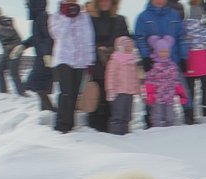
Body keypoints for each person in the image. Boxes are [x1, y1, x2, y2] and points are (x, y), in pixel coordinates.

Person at [135, 0, 194, 125]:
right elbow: (139, 38)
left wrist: (184, 57)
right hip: (154, 64)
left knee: (182, 88)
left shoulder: (174, 15)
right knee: (152, 91)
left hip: (173, 61)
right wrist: (145, 57)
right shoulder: (143, 17)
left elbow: (181, 37)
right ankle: (150, 119)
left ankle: (189, 116)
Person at [49, 0, 95, 133]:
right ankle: (61, 125)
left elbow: (88, 38)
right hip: (64, 59)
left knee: (74, 93)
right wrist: (67, 17)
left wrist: (90, 60)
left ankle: (70, 123)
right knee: (66, 92)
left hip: (80, 61)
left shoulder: (84, 16)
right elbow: (57, 34)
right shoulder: (56, 16)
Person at [87, 0, 129, 132]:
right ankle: (96, 129)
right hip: (96, 64)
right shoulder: (89, 19)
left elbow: (127, 40)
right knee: (97, 98)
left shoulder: (120, 20)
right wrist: (98, 49)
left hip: (117, 66)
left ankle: (114, 129)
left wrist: (112, 50)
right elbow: (86, 40)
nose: (105, 3)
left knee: (114, 99)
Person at [144, 35, 188, 127]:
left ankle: (169, 132)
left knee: (170, 116)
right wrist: (150, 94)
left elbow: (176, 80)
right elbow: (149, 81)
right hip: (157, 96)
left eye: (166, 51)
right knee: (157, 115)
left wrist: (181, 94)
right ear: (156, 51)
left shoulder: (172, 65)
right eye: (161, 51)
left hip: (169, 96)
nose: (164, 53)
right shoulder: (153, 66)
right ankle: (157, 131)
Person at [21, 0, 55, 111]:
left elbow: (47, 37)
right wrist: (24, 45)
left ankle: (49, 109)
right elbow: (36, 38)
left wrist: (47, 54)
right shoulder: (37, 19)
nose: (27, 6)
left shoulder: (43, 17)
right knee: (41, 85)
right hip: (41, 56)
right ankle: (46, 110)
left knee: (34, 83)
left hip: (44, 57)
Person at [0, 3, 28, 95]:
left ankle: (22, 93)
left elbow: (9, 33)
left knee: (13, 71)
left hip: (16, 48)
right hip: (7, 50)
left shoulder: (6, 21)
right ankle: (3, 93)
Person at [105, 35, 141, 134]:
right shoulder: (115, 60)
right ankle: (116, 134)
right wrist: (110, 90)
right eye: (126, 46)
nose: (129, 48)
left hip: (130, 92)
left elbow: (134, 76)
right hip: (118, 92)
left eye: (130, 46)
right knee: (118, 115)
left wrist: (137, 88)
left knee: (127, 115)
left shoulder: (132, 60)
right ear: (120, 47)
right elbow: (110, 76)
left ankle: (125, 133)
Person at [183, 14, 206, 119]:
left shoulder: (183, 28)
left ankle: (190, 114)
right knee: (205, 88)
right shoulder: (205, 29)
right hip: (203, 62)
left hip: (189, 62)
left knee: (189, 89)